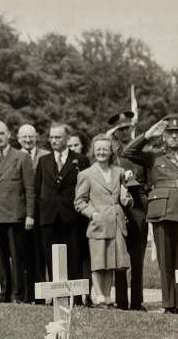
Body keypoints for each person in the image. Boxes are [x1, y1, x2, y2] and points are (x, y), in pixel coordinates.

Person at [123, 115, 178, 314]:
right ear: (163, 135)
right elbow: (129, 152)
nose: (174, 136)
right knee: (165, 260)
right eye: (170, 132)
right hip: (161, 210)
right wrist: (148, 135)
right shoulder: (154, 155)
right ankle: (169, 304)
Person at [0, 120, 36, 303]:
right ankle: (4, 291)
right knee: (1, 257)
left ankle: (18, 294)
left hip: (15, 215)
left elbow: (29, 189)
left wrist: (30, 215)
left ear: (9, 134)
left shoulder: (21, 157)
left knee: (17, 257)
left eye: (2, 133)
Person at [34, 123, 89, 304]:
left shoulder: (80, 160)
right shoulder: (44, 161)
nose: (54, 141)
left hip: (72, 217)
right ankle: (57, 297)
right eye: (51, 137)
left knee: (74, 257)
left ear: (66, 138)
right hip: (49, 218)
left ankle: (75, 299)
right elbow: (37, 190)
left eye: (58, 137)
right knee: (51, 258)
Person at [74, 133, 131, 307]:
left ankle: (107, 296)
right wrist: (93, 214)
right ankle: (98, 296)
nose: (101, 153)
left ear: (111, 151)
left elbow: (126, 198)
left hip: (115, 222)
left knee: (111, 262)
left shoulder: (119, 172)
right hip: (98, 223)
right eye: (98, 149)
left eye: (105, 149)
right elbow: (79, 201)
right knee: (98, 263)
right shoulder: (86, 174)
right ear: (93, 151)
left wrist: (127, 193)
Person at [108, 113, 148, 311]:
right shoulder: (108, 153)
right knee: (120, 257)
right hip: (117, 208)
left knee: (137, 258)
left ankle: (137, 301)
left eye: (127, 129)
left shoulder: (138, 152)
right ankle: (122, 301)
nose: (125, 133)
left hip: (138, 208)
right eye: (120, 130)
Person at [17, 124, 50, 301]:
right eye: (24, 137)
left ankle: (41, 295)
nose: (28, 140)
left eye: (31, 136)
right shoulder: (14, 157)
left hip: (42, 212)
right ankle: (26, 294)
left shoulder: (45, 156)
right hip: (22, 213)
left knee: (41, 255)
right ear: (18, 138)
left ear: (36, 137)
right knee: (24, 254)